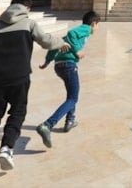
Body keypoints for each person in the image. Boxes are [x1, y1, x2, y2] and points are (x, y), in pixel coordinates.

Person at [0, 0, 70, 183]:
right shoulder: (29, 24)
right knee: (18, 112)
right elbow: (46, 41)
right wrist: (61, 43)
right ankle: (7, 147)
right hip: (20, 78)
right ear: (27, 8)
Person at [35, 10, 101, 148]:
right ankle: (47, 125)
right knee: (73, 98)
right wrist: (77, 51)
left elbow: (58, 44)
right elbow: (71, 33)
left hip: (59, 66)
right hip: (69, 66)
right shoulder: (86, 29)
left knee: (71, 95)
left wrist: (47, 62)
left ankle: (70, 120)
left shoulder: (80, 33)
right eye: (98, 25)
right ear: (94, 23)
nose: (97, 28)